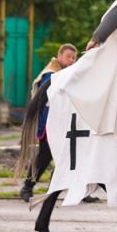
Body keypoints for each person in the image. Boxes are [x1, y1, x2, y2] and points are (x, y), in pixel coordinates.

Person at [20, 44, 77, 202]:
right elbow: (49, 99)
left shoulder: (65, 73)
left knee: (71, 157)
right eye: (68, 57)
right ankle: (27, 186)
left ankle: (76, 190)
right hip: (49, 123)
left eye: (74, 58)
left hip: (64, 123)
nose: (71, 61)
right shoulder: (50, 74)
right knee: (45, 156)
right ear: (59, 56)